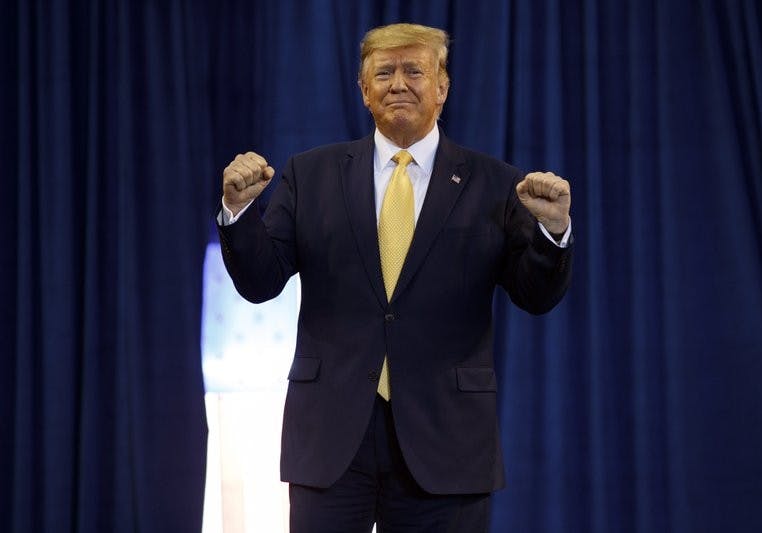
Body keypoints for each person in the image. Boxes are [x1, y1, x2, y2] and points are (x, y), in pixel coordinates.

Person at [217, 22, 573, 533]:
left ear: (442, 88)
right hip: (332, 436)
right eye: (384, 73)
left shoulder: (496, 184)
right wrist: (238, 212)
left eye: (414, 71)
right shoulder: (310, 175)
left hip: (446, 438)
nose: (398, 84)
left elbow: (534, 295)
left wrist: (552, 231)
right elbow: (260, 282)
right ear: (364, 91)